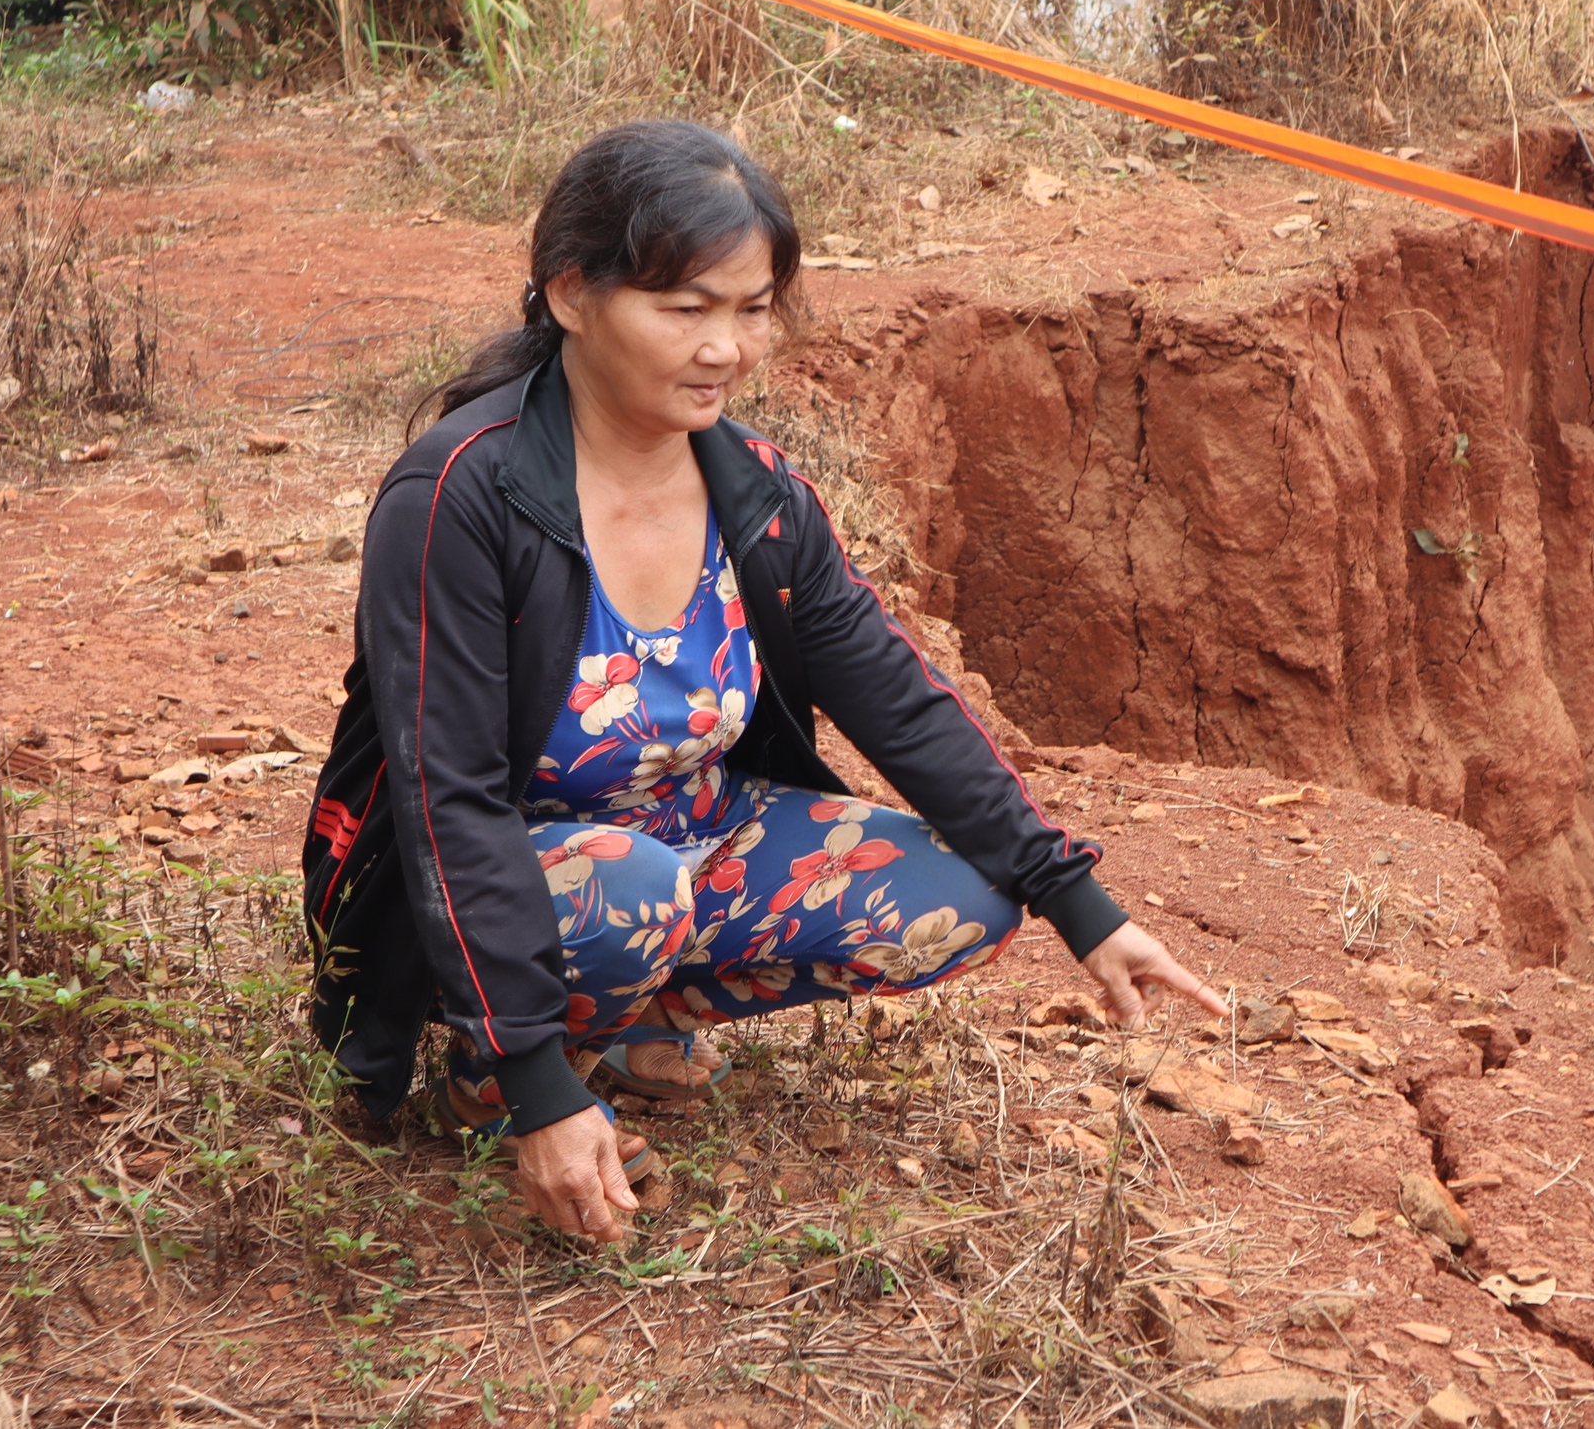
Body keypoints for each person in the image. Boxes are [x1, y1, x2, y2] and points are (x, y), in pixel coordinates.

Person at [301, 120, 1225, 1246]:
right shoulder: (460, 496)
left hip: (694, 836)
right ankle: (493, 1079)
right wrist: (537, 1083)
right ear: (570, 296)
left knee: (968, 898)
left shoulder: (758, 496)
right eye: (685, 309)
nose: (724, 349)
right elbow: (446, 801)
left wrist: (1075, 899)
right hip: (508, 880)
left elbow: (891, 688)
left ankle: (627, 1015)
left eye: (751, 309)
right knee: (628, 888)